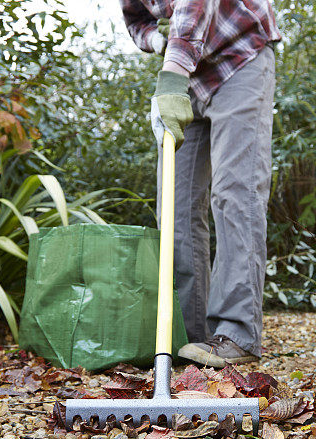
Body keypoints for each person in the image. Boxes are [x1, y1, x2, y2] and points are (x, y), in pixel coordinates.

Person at [119, 0, 281, 368]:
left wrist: (171, 73)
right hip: (189, 70)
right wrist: (158, 42)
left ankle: (236, 334)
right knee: (174, 206)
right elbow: (135, 18)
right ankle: (186, 337)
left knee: (235, 193)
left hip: (241, 54)